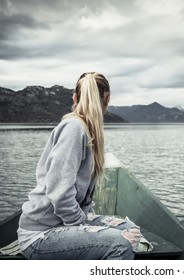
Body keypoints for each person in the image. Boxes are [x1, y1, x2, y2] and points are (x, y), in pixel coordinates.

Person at [17, 72, 141, 259]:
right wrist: (82, 226)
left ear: (75, 98)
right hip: (41, 235)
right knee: (121, 243)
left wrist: (87, 222)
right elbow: (59, 191)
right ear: (107, 99)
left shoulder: (88, 130)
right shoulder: (74, 128)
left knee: (131, 231)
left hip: (64, 224)